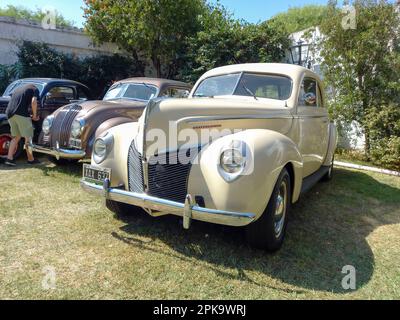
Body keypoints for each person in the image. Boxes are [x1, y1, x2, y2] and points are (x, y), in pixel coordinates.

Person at [4, 84, 40, 166]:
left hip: (9, 113)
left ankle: (9, 159)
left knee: (16, 137)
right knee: (28, 137)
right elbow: (34, 102)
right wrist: (34, 116)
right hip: (21, 114)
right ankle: (31, 159)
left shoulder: (18, 89)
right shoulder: (35, 89)